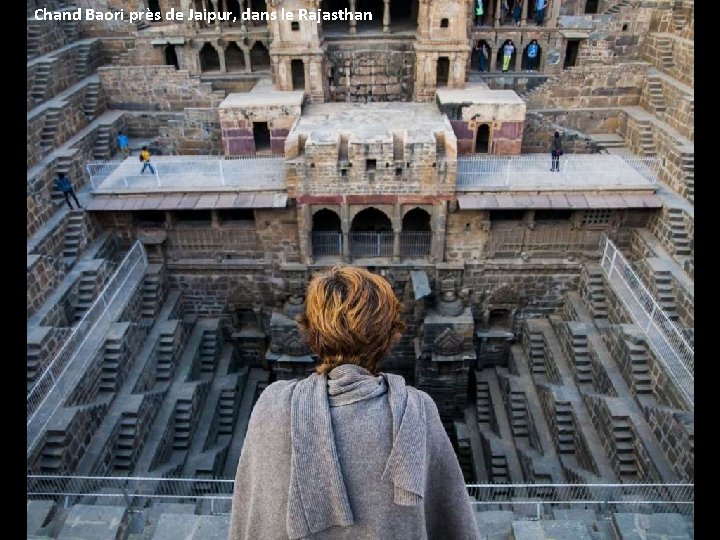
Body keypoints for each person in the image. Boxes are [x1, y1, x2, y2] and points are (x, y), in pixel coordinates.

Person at [228, 266, 479, 540]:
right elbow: (453, 523)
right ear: (390, 336)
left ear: (311, 332)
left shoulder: (272, 406)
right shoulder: (418, 411)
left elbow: (252, 516)